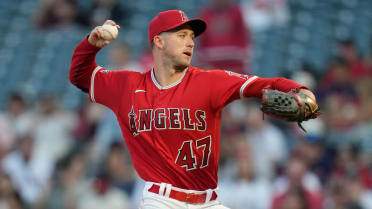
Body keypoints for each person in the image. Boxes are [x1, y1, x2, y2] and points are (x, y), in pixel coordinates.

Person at [69, 10, 318, 209]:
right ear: (159, 41)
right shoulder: (126, 86)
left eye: (191, 36)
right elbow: (80, 76)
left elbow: (261, 85)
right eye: (181, 35)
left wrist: (299, 89)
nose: (190, 42)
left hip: (208, 200)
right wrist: (90, 45)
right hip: (160, 200)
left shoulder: (210, 82)